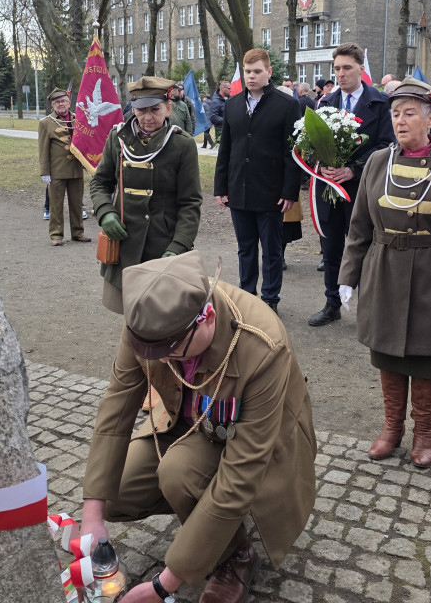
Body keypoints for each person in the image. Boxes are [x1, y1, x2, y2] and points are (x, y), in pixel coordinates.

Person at [80, 251, 316, 603]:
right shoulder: (150, 321)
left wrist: (164, 585)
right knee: (116, 492)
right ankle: (200, 518)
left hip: (252, 442)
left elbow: (243, 471)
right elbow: (116, 407)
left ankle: (235, 556)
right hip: (184, 424)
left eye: (173, 352)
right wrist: (92, 516)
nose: (161, 360)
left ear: (206, 317)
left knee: (178, 473)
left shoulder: (262, 345)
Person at [338, 79, 431, 466]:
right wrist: (347, 276)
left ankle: (424, 433)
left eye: (409, 113)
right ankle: (392, 428)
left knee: (427, 355)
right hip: (384, 268)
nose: (400, 121)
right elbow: (359, 227)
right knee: (387, 352)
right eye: (395, 113)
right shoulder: (376, 162)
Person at [90, 76, 202, 314]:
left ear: (168, 107)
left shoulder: (181, 145)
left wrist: (179, 245)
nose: (148, 118)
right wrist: (105, 213)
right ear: (133, 109)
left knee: (161, 317)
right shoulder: (118, 138)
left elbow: (190, 203)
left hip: (162, 243)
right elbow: (100, 182)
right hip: (123, 240)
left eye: (155, 110)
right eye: (141, 110)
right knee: (131, 316)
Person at [308, 43, 395, 327]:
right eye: (337, 69)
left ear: (361, 68)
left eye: (347, 68)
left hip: (362, 189)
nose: (341, 74)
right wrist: (322, 164)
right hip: (330, 188)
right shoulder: (325, 103)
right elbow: (311, 144)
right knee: (331, 247)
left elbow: (386, 146)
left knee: (366, 248)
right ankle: (332, 302)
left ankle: (370, 306)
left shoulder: (380, 103)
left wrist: (353, 170)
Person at [214, 49, 301, 312]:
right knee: (246, 248)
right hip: (238, 190)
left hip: (271, 192)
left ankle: (270, 300)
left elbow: (293, 153)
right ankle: (247, 297)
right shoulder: (232, 104)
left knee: (272, 250)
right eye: (248, 72)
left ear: (268, 72)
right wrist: (221, 186)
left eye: (257, 72)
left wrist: (290, 191)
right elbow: (225, 149)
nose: (251, 77)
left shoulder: (287, 105)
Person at [39, 88, 89, 246]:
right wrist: (44, 172)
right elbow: (43, 149)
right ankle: (56, 234)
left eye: (63, 101)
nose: (61, 104)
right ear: (53, 105)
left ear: (69, 103)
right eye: (57, 102)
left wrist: (88, 161)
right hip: (57, 171)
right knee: (56, 204)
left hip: (76, 169)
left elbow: (86, 141)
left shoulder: (79, 119)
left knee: (77, 203)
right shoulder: (46, 123)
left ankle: (78, 232)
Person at [207, 79, 229, 146]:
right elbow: (213, 117)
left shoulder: (229, 100)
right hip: (220, 132)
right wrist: (227, 120)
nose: (230, 90)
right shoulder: (215, 101)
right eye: (229, 88)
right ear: (222, 88)